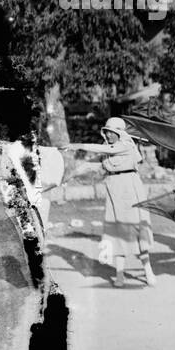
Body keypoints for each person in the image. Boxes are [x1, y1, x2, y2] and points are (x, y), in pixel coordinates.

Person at [65, 116, 155, 288]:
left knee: (138, 229)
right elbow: (89, 165)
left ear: (120, 133)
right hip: (114, 190)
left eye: (113, 132)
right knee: (116, 230)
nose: (109, 135)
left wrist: (77, 145)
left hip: (132, 189)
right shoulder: (107, 152)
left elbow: (104, 149)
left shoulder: (126, 145)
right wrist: (70, 175)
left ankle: (148, 269)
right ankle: (119, 273)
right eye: (107, 132)